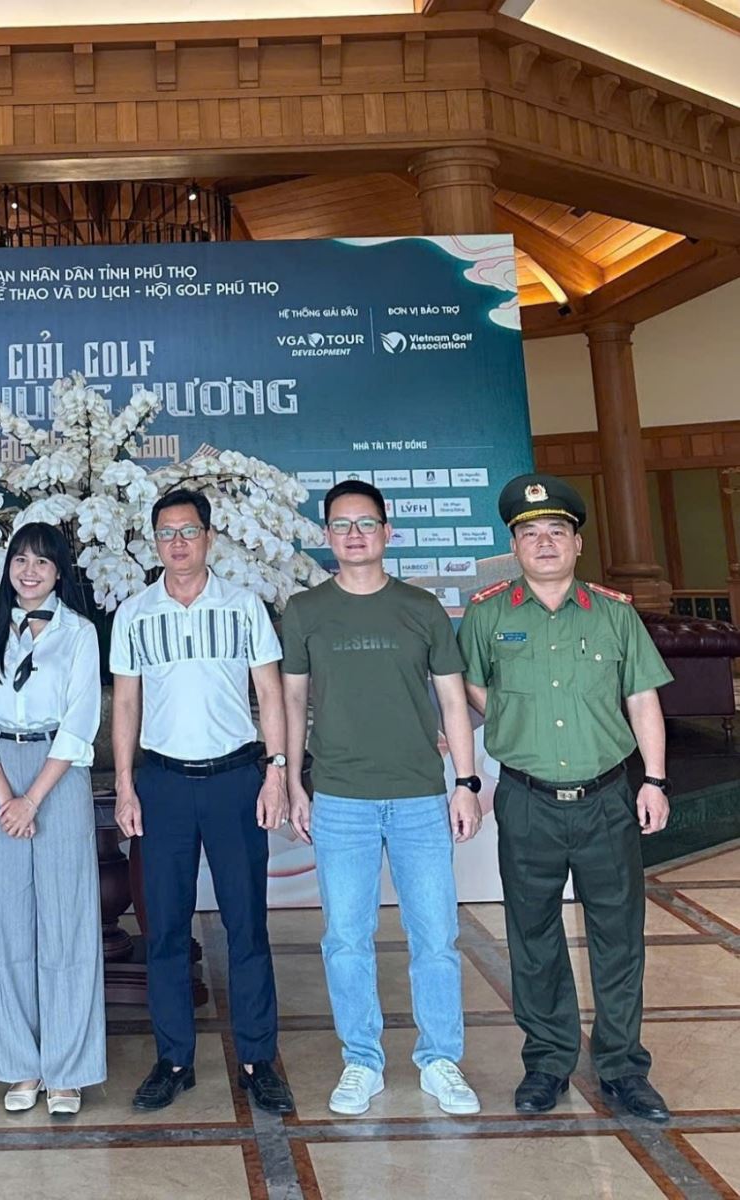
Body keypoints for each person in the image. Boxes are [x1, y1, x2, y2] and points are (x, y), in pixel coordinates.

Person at [457, 474, 673, 1122]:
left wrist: (654, 779)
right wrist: (510, 721)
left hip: (607, 799)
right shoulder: (487, 614)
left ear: (577, 543)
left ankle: (622, 1068)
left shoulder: (614, 614)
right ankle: (547, 1062)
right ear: (513, 546)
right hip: (527, 801)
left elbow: (641, 698)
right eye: (530, 533)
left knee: (618, 937)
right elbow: (469, 687)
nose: (544, 542)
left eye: (557, 530)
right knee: (533, 936)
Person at [282, 480, 483, 1117]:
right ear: (326, 535)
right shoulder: (304, 610)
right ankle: (362, 1061)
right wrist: (291, 779)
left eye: (366, 523)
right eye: (341, 525)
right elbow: (292, 699)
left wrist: (466, 783)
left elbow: (452, 700)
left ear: (387, 532)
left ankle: (441, 1059)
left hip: (420, 795)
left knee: (436, 936)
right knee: (345, 937)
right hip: (341, 797)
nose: (354, 535)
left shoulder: (421, 608)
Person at [112, 488, 294, 1115]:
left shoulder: (243, 606)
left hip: (235, 780)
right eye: (166, 533)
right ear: (154, 542)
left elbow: (270, 693)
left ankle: (257, 1060)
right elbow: (126, 702)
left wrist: (276, 772)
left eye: (189, 531)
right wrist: (126, 784)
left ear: (210, 538)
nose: (178, 543)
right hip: (162, 784)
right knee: (164, 928)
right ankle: (174, 1060)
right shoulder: (134, 613)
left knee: (247, 925)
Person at [0, 522, 105, 1116]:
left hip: (58, 773)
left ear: (59, 572)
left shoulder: (80, 634)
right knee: (6, 925)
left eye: (42, 562)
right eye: (20, 560)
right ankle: (19, 1063)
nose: (29, 571)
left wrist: (32, 800)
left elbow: (81, 720)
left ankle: (67, 1069)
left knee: (67, 921)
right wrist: (5, 798)